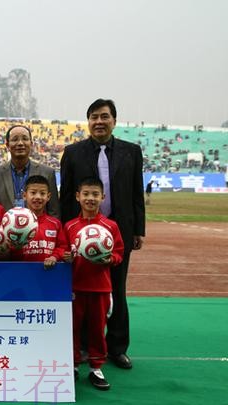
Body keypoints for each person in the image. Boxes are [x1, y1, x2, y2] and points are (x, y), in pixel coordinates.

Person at [60, 99, 145, 370]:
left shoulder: (132, 152)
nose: (99, 121)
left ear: (114, 121)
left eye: (104, 116)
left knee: (117, 290)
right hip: (81, 237)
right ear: (88, 122)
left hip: (118, 233)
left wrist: (138, 229)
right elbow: (66, 197)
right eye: (94, 117)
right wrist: (65, 235)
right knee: (85, 293)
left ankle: (117, 348)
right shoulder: (73, 152)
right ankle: (86, 346)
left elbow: (136, 192)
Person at [63, 177, 125, 390]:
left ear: (103, 197)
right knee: (73, 328)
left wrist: (110, 259)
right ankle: (73, 365)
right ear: (77, 197)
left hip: (100, 287)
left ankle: (96, 367)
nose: (90, 198)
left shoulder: (110, 226)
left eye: (95, 194)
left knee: (97, 329)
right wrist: (66, 257)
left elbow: (119, 253)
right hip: (75, 287)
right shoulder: (69, 226)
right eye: (86, 194)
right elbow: (64, 251)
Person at [0, 125, 60, 217]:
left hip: (38, 226)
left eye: (25, 139)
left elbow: (54, 211)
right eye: (15, 139)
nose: (20, 143)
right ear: (7, 145)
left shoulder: (47, 173)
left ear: (31, 144)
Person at [11, 175, 67, 269]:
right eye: (33, 193)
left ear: (48, 196)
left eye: (42, 193)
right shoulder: (14, 222)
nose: (38, 197)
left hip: (48, 273)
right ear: (24, 195)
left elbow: (63, 247)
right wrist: (15, 248)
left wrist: (54, 257)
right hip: (21, 272)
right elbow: (9, 251)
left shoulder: (55, 224)